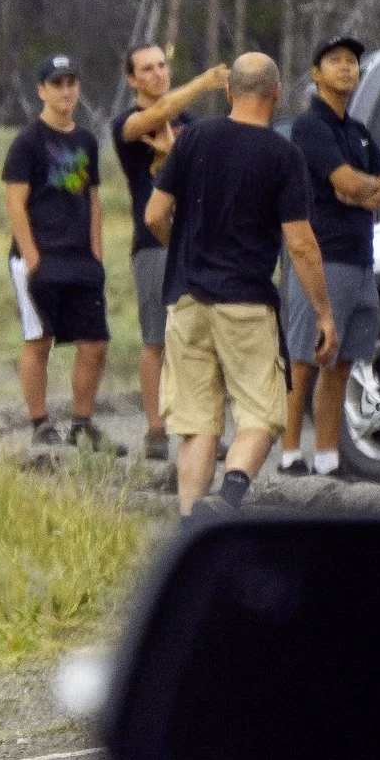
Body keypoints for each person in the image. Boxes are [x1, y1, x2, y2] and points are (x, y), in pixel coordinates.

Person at [146, 53, 338, 516]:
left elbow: (154, 214)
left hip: (188, 302)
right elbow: (301, 244)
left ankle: (192, 521)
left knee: (197, 425)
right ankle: (229, 497)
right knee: (262, 415)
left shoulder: (193, 141)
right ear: (276, 96)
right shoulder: (283, 156)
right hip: (246, 304)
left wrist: (184, 251)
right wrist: (324, 312)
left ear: (229, 92)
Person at [279, 35, 380, 478]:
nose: (347, 68)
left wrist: (361, 192)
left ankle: (327, 457)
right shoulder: (311, 126)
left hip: (361, 257)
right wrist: (359, 189)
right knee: (306, 356)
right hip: (323, 255)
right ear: (316, 73)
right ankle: (290, 452)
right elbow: (347, 184)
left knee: (342, 361)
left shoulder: (360, 132)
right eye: (335, 61)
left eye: (352, 61)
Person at [112, 45, 232, 460]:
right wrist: (202, 82)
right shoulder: (127, 124)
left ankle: (198, 428)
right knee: (155, 338)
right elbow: (148, 120)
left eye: (162, 66)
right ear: (132, 79)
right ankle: (156, 429)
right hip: (152, 243)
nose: (157, 74)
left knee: (200, 335)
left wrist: (176, 152)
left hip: (194, 240)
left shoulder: (190, 124)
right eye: (147, 69)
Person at [3, 55, 110, 449]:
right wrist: (32, 259)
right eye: (57, 84)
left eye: (71, 83)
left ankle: (83, 425)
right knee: (39, 339)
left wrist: (96, 255)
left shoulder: (85, 141)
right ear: (41, 90)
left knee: (95, 342)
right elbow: (15, 203)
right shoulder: (28, 142)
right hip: (39, 257)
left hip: (80, 258)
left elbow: (93, 200)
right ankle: (40, 423)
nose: (66, 91)